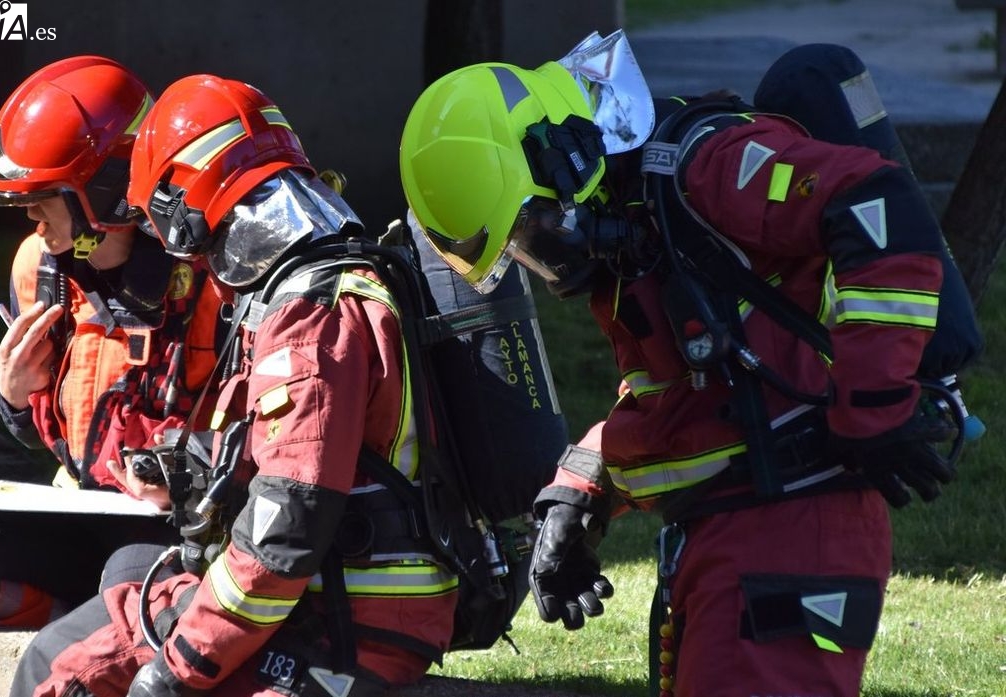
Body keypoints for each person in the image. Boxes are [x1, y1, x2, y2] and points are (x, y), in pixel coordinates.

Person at [398, 30, 957, 697]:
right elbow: (677, 397)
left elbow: (875, 206)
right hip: (731, 541)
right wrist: (577, 498)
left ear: (561, 154)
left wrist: (874, 403)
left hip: (792, 535)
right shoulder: (643, 232)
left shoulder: (709, 165)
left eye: (531, 226)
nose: (543, 254)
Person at [9, 73, 459, 697]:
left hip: (343, 623)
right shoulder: (298, 293)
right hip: (304, 600)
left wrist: (179, 666)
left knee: (86, 679)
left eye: (163, 213)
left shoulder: (311, 318)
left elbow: (284, 534)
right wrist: (186, 467)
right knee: (60, 665)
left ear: (189, 202)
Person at [0, 56, 225, 629]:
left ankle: (101, 624)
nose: (31, 216)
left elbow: (270, 443)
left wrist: (184, 471)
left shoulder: (211, 281)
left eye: (45, 197)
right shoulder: (38, 268)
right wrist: (14, 395)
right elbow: (40, 432)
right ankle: (74, 620)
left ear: (108, 189)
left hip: (176, 525)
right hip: (75, 508)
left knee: (133, 596)